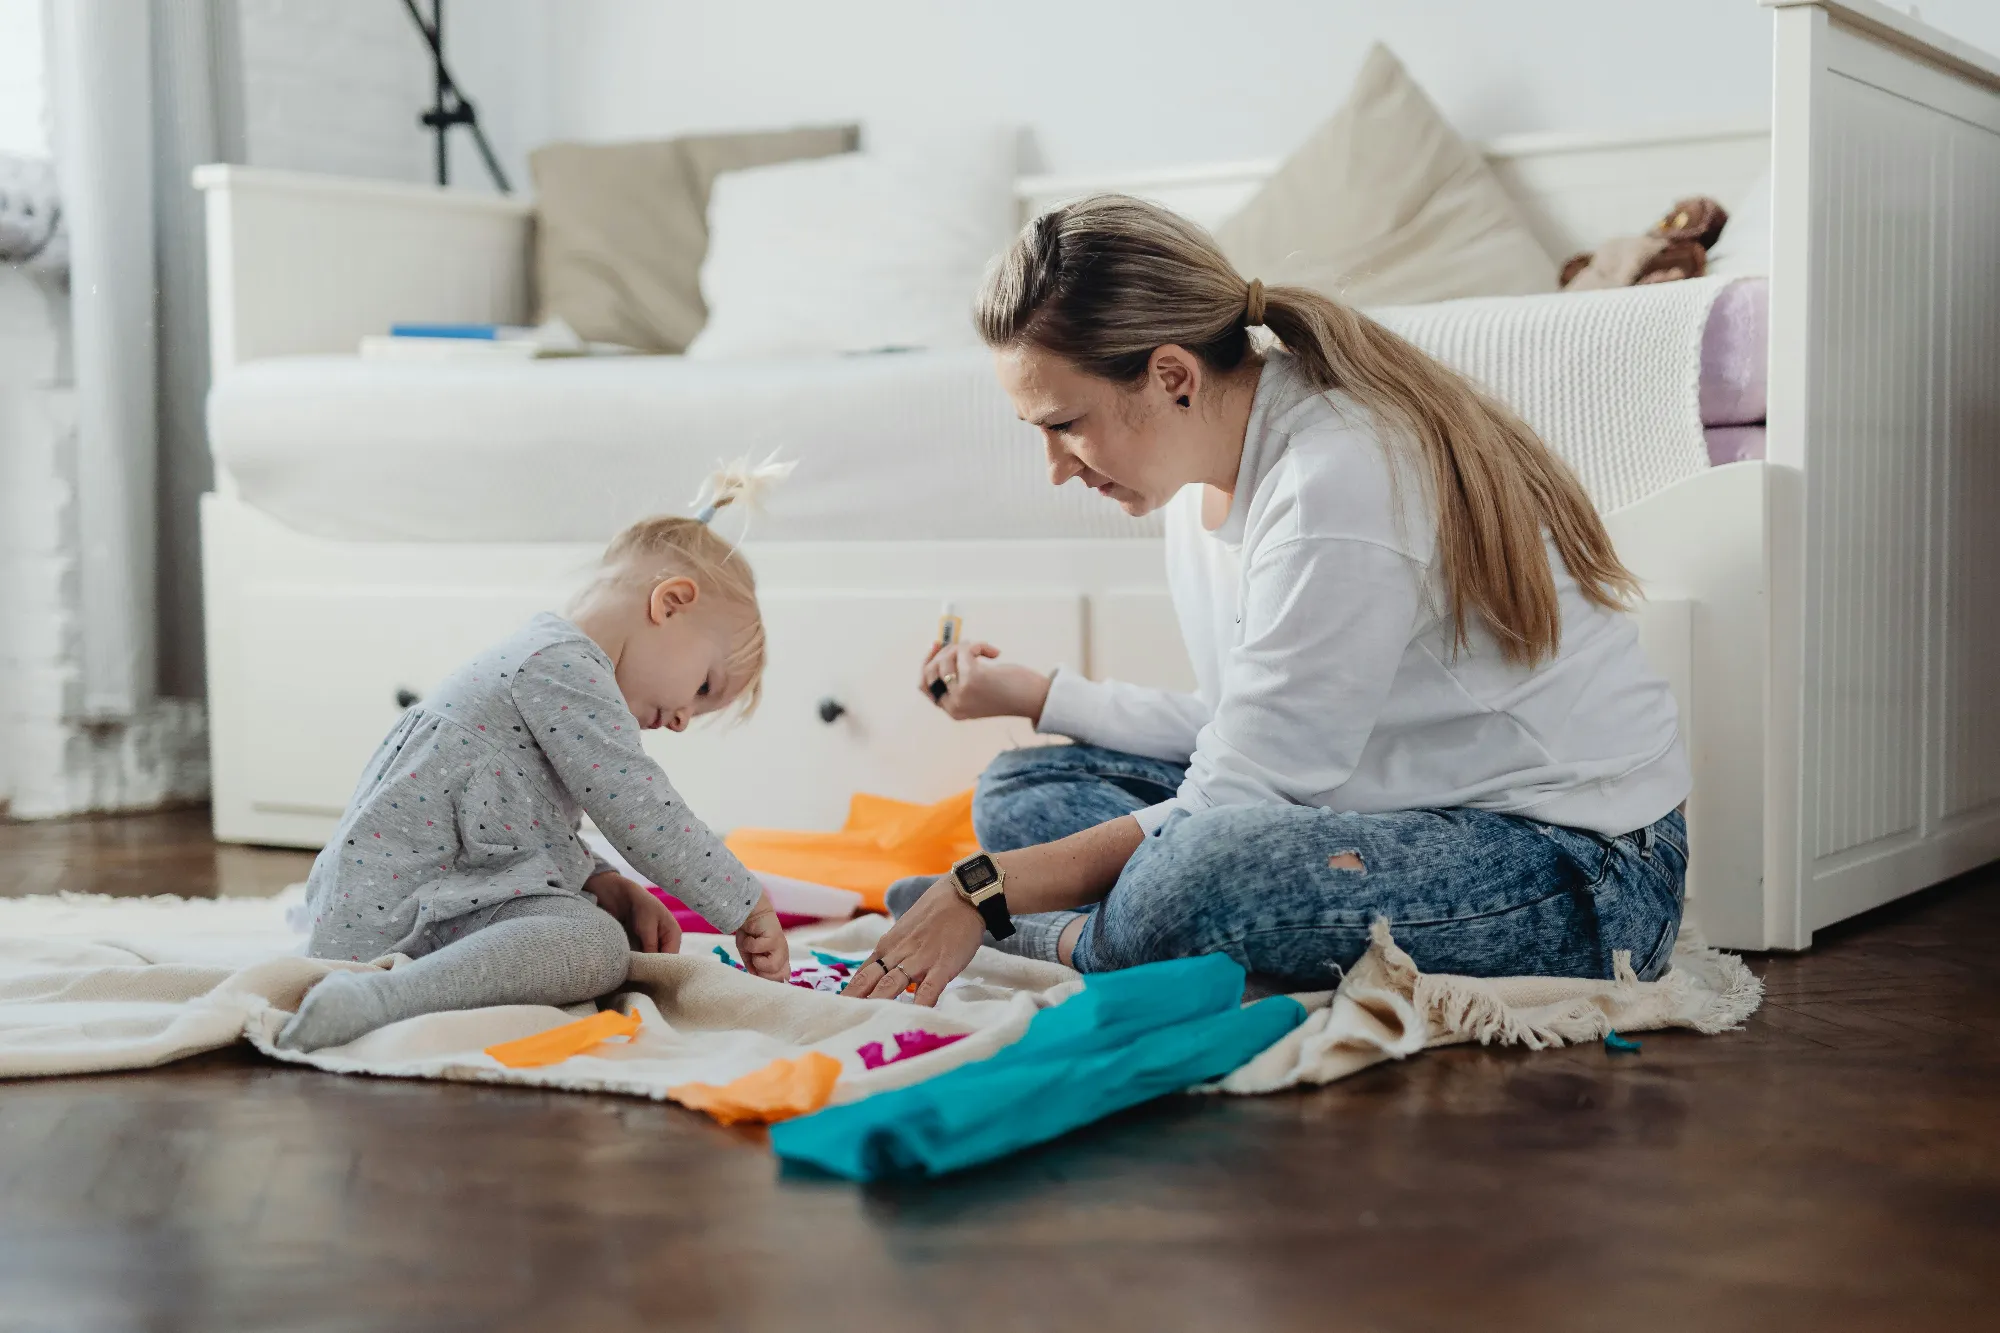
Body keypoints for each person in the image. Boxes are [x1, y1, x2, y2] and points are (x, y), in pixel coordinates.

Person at [847, 195, 1689, 1006]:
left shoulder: (1338, 476)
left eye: (1064, 422)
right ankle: (1148, 936)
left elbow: (1237, 798)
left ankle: (1076, 942)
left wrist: (979, 891)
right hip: (1370, 807)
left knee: (1202, 870)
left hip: (1577, 867)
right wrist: (1042, 697)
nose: (1056, 466)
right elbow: (1244, 732)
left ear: (1171, 376)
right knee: (1020, 790)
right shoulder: (1196, 477)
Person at [280, 473, 791, 1051]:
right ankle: (380, 1001)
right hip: (403, 911)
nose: (681, 721)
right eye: (704, 688)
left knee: (595, 933)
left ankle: (392, 992)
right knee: (594, 949)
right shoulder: (561, 667)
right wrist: (743, 902)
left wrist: (603, 880)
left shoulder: (554, 665)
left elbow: (524, 818)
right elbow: (644, 812)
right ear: (671, 603)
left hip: (443, 893)